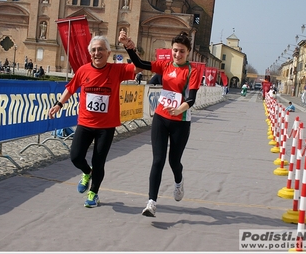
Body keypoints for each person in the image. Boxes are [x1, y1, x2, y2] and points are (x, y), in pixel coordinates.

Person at [48, 35, 139, 207]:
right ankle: (86, 172)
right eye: (94, 50)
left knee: (99, 161)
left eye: (101, 49)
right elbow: (70, 88)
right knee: (75, 156)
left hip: (106, 126)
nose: (97, 53)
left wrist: (130, 48)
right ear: (90, 53)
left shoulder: (117, 70)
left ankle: (93, 193)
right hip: (85, 123)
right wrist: (59, 104)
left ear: (108, 52)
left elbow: (139, 68)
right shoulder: (83, 71)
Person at [119, 30, 202, 217]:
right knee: (158, 160)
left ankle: (179, 181)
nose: (177, 54)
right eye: (175, 50)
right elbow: (140, 64)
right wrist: (128, 46)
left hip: (180, 121)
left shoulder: (192, 71)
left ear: (187, 52)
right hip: (161, 118)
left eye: (181, 51)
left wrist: (180, 109)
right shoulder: (165, 65)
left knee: (174, 161)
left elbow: (192, 98)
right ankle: (151, 202)